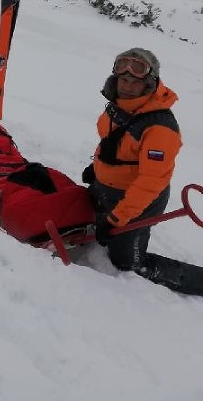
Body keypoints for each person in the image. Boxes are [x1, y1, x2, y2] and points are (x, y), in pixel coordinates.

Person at [84, 47, 203, 295]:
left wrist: (117, 219)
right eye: (123, 80)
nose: (127, 86)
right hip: (106, 189)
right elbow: (112, 141)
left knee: (127, 262)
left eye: (134, 82)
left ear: (149, 84)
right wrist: (96, 168)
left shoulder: (160, 128)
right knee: (88, 224)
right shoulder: (117, 107)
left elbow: (150, 183)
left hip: (138, 202)